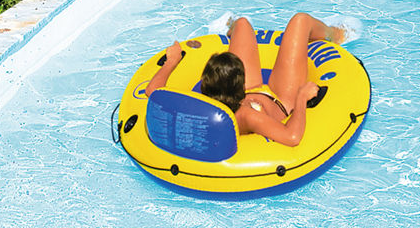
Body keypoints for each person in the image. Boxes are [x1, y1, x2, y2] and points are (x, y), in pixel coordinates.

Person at [143, 12, 348, 147]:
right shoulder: (247, 116)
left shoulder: (199, 104)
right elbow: (292, 137)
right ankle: (334, 34)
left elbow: (153, 92)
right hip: (282, 100)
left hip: (251, 92)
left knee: (242, 24)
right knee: (300, 20)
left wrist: (172, 61)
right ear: (240, 86)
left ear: (205, 84)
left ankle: (231, 27)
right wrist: (302, 98)